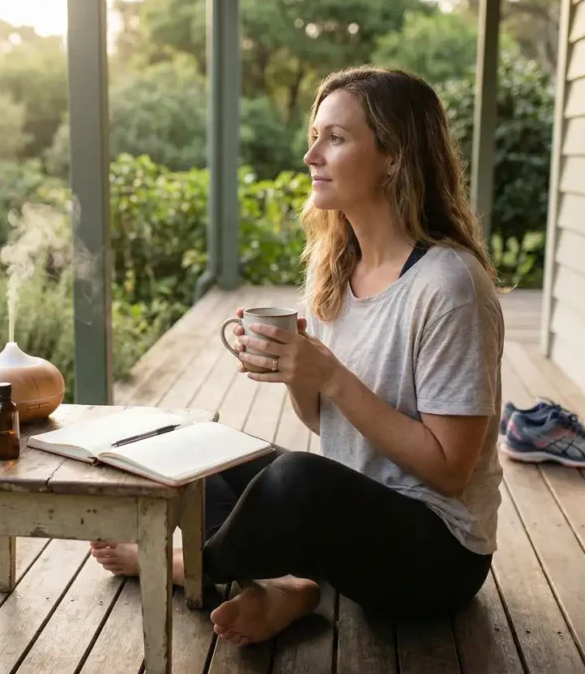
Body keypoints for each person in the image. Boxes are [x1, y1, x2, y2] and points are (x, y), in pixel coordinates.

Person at [90, 65, 504, 647]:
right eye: (315, 135)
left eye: (335, 138)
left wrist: (330, 376)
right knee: (209, 453)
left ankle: (189, 564)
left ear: (394, 156)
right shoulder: (337, 266)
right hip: (353, 518)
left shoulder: (449, 283)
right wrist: (292, 368)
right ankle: (294, 585)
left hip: (436, 555)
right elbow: (322, 422)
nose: (312, 154)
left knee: (296, 482)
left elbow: (449, 468)